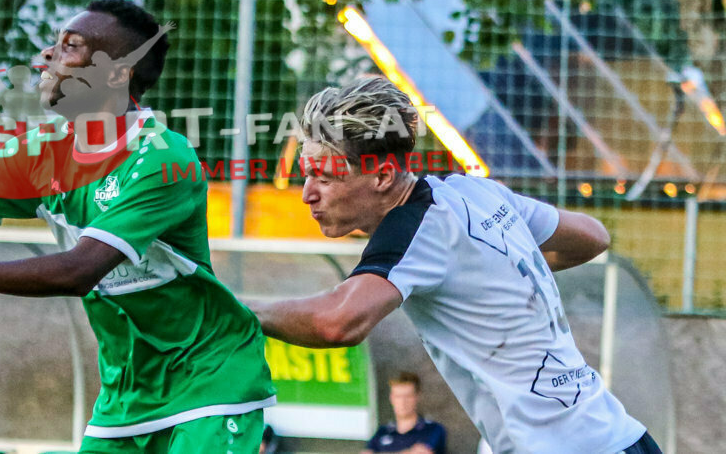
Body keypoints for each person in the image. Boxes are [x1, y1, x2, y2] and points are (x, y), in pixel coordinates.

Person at [0, 0, 276, 454]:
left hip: (209, 382)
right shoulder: (35, 150)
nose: (46, 55)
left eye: (71, 46)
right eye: (53, 43)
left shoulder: (162, 158)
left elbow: (78, 271)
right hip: (127, 393)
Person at [249, 77, 662, 454]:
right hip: (624, 437)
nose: (307, 194)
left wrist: (236, 312)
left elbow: (338, 322)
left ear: (382, 176)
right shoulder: (474, 191)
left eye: (324, 176)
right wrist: (495, 274)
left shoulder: (414, 230)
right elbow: (593, 235)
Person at [360, 372, 445, 454]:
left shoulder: (432, 429)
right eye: (398, 396)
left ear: (417, 396)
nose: (403, 402)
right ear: (392, 398)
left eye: (408, 396)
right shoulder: (382, 432)